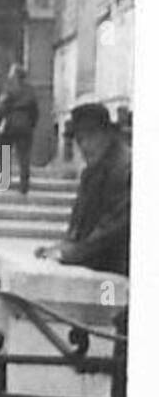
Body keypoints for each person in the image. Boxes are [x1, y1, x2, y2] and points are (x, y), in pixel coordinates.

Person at [35, 102, 130, 275]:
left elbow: (112, 230)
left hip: (119, 268)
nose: (84, 146)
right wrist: (62, 247)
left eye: (91, 136)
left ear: (107, 134)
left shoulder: (126, 169)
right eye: (80, 139)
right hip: (96, 264)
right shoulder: (91, 171)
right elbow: (79, 223)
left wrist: (68, 253)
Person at [0, 64, 39, 195]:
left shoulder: (8, 88)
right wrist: (31, 124)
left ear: (13, 75)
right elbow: (35, 110)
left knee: (4, 153)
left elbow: (2, 107)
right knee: (24, 156)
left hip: (10, 123)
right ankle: (24, 185)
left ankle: (4, 180)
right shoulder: (30, 90)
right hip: (25, 125)